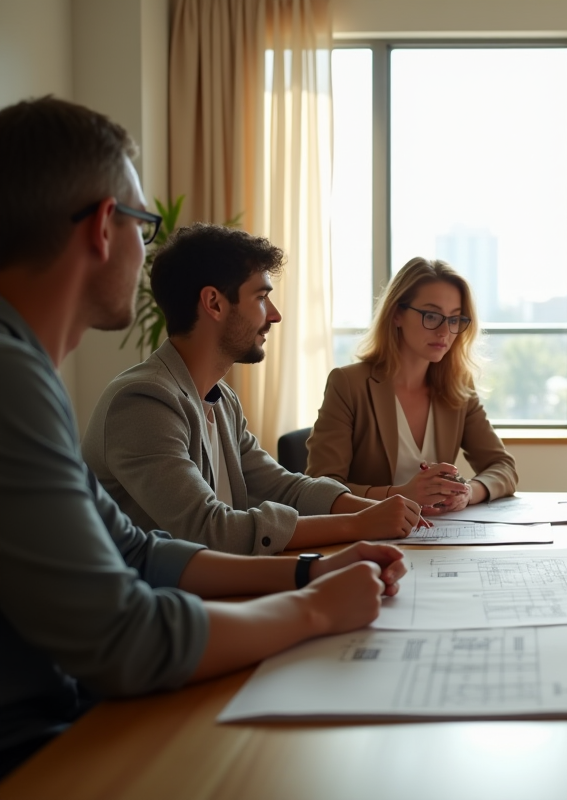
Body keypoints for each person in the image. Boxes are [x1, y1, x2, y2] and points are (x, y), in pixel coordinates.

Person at [0, 96, 407, 778]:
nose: (145, 249)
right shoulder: (22, 379)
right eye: (142, 225)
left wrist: (313, 569)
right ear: (105, 226)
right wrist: (310, 609)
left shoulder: (31, 374)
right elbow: (124, 635)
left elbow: (139, 552)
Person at [82, 224, 423, 555]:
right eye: (261, 297)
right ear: (213, 303)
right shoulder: (143, 402)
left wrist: (373, 509)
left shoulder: (221, 399)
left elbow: (283, 487)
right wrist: (358, 524)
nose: (274, 315)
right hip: (162, 605)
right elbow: (212, 530)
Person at [306, 257, 517, 511]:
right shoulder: (349, 384)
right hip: (368, 537)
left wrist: (468, 492)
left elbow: (503, 467)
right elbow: (321, 487)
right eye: (431, 315)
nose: (444, 332)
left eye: (454, 319)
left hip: (438, 538)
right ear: (397, 314)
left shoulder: (458, 387)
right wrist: (399, 494)